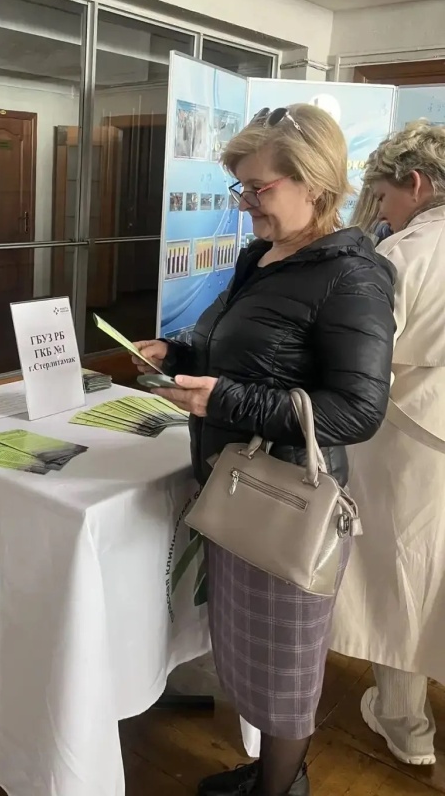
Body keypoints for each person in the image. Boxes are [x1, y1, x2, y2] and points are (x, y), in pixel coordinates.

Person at [132, 105, 396, 796]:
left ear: (314, 183)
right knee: (255, 654)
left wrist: (225, 401)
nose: (244, 202)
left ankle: (281, 787)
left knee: (286, 671)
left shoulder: (353, 276)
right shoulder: (262, 256)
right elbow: (234, 343)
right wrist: (178, 352)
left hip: (287, 501)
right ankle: (270, 775)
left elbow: (358, 410)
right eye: (240, 187)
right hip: (237, 487)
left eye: (258, 188)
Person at [331, 120, 445, 767]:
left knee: (398, 581)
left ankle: (407, 725)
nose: (382, 210)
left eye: (383, 194)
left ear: (417, 184)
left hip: (408, 440)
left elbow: (357, 360)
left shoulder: (404, 255)